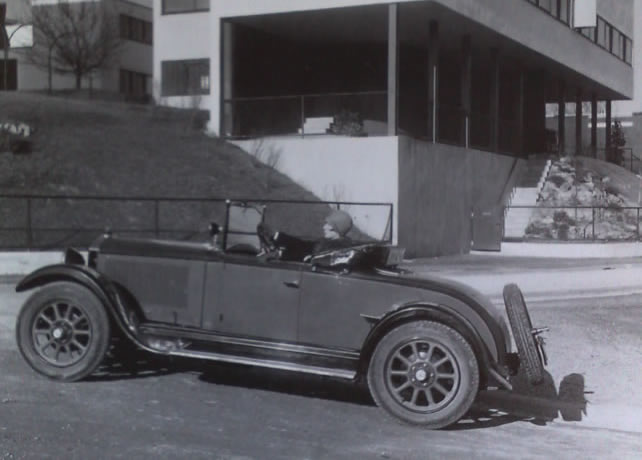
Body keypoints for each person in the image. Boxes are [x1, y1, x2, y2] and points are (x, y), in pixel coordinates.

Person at [257, 209, 354, 262]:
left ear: (336, 229)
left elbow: (306, 256)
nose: (324, 227)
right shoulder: (326, 244)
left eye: (329, 225)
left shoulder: (334, 251)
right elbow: (305, 245)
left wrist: (280, 254)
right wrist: (276, 236)